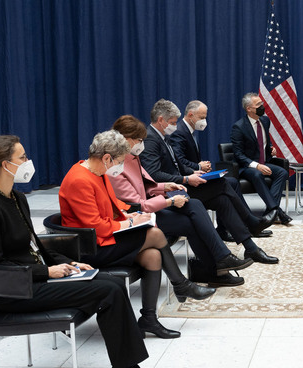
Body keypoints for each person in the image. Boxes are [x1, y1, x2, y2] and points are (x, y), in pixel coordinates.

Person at [0, 135, 158, 368]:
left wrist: (69, 263)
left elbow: (35, 246)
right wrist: (47, 271)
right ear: (5, 165)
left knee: (112, 283)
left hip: (33, 279)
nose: (28, 161)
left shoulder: (16, 198)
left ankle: (127, 367)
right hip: (16, 291)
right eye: (22, 157)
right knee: (109, 290)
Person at [59, 130, 216, 340]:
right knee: (155, 234)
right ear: (107, 158)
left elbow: (112, 205)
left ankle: (149, 318)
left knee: (153, 255)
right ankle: (181, 285)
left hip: (104, 238)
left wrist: (129, 215)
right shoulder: (80, 179)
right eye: (120, 161)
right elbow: (95, 226)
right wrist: (131, 222)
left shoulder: (97, 172)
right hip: (91, 247)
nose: (120, 166)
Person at [110, 115, 252, 287]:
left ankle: (220, 262)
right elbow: (138, 205)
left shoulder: (131, 157)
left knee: (194, 204)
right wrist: (170, 202)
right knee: (190, 221)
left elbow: (146, 186)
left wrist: (166, 186)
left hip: (153, 206)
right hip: (139, 217)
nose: (141, 144)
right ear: (126, 139)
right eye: (139, 140)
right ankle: (217, 267)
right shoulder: (115, 167)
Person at [141, 99, 279, 264]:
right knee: (223, 184)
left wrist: (193, 172)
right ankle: (251, 222)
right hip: (170, 192)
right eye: (173, 122)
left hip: (180, 185)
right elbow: (154, 175)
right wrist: (186, 178)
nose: (175, 125)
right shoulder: (150, 139)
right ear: (160, 120)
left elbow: (176, 164)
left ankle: (251, 248)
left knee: (222, 200)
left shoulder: (163, 136)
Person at [231, 93, 292, 225]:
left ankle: (271, 211)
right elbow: (238, 154)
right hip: (247, 166)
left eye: (262, 103)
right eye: (258, 105)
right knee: (257, 174)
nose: (262, 106)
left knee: (282, 172)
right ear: (249, 108)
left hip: (264, 162)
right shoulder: (239, 127)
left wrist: (270, 148)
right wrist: (257, 166)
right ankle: (277, 211)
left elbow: (263, 141)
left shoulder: (265, 121)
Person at [169, 100, 213, 173]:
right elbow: (179, 160)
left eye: (205, 118)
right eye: (201, 118)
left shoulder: (190, 130)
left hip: (195, 174)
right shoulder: (178, 132)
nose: (204, 121)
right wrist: (199, 166)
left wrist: (204, 166)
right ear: (190, 115)